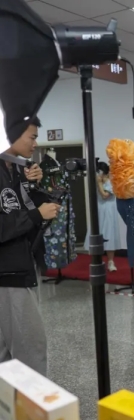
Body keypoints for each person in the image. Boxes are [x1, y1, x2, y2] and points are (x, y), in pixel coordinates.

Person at [0, 116, 56, 376]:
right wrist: (36, 214)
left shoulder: (15, 169)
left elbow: (20, 209)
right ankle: (30, 402)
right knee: (30, 351)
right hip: (8, 274)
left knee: (8, 352)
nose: (35, 144)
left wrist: (32, 186)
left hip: (21, 264)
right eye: (32, 137)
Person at [84, 160, 121, 272]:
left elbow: (105, 195)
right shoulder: (95, 182)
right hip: (99, 210)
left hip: (109, 210)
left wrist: (100, 183)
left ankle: (111, 261)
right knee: (97, 234)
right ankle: (97, 260)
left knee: (109, 234)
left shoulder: (112, 182)